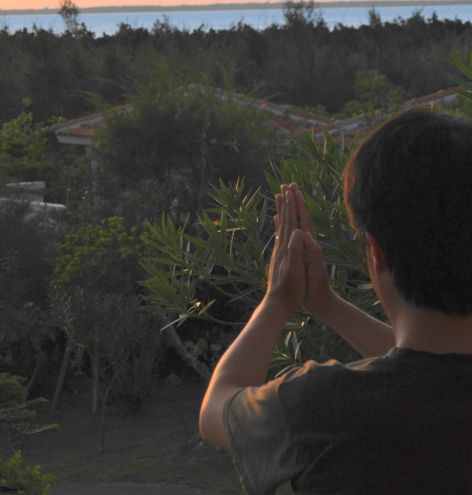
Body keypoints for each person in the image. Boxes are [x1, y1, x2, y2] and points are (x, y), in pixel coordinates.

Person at [198, 108, 472, 494]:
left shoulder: (320, 407)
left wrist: (276, 301)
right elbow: (433, 366)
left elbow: (216, 409)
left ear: (375, 252)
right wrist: (327, 305)